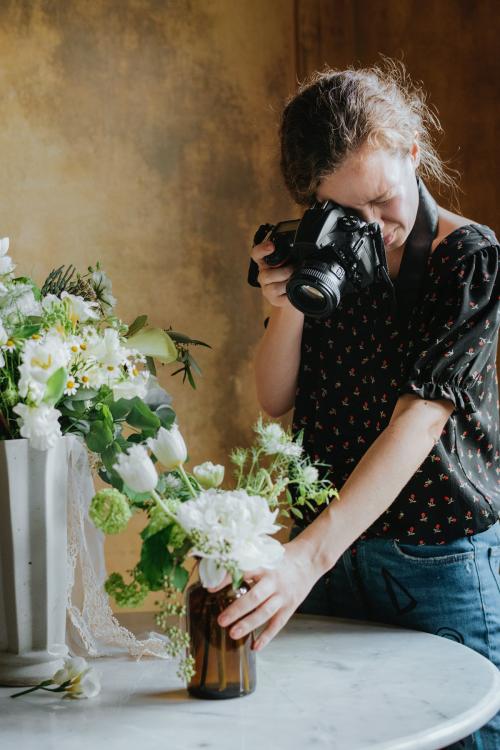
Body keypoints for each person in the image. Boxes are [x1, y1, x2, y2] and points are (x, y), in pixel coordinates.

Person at [215, 62, 500, 748]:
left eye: (383, 200)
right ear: (315, 206)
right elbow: (275, 396)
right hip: (331, 558)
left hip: (436, 559)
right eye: (348, 213)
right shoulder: (327, 258)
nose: (376, 227)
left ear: (411, 151)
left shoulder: (471, 258)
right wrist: (283, 307)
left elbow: (419, 420)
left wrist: (302, 561)